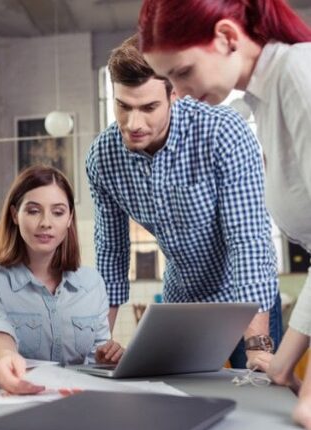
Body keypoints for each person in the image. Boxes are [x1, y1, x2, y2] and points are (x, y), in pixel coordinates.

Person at [138, 0, 311, 426]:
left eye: (183, 72)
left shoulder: (297, 72)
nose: (179, 93)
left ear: (228, 37)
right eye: (169, 80)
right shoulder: (263, 100)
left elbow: (248, 242)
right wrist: (283, 364)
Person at [85, 34, 282, 369]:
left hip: (245, 298)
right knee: (178, 392)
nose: (133, 124)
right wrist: (99, 341)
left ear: (173, 93)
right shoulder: (103, 158)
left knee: (256, 385)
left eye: (149, 108)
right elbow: (111, 254)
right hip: (182, 300)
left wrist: (257, 347)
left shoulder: (222, 133)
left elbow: (248, 242)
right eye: (123, 107)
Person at [0, 166, 123, 394]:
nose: (45, 223)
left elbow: (97, 355)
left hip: (77, 402)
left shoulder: (92, 283)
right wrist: (6, 357)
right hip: (15, 402)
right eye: (33, 211)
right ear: (14, 215)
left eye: (58, 212)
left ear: (69, 218)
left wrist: (107, 358)